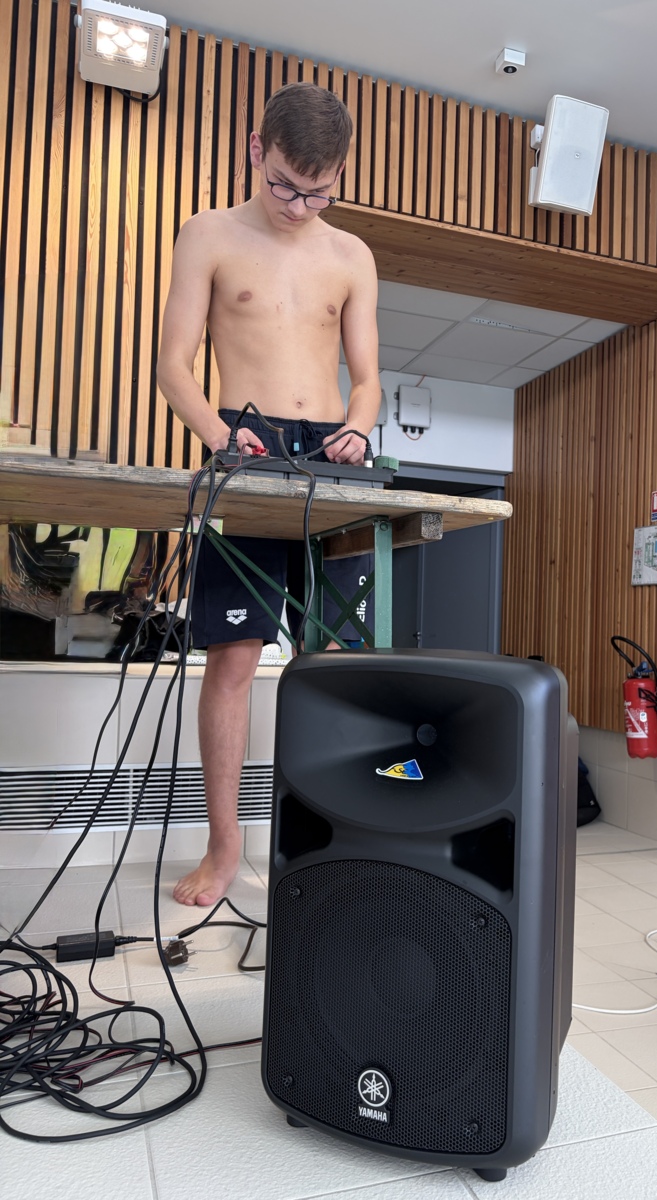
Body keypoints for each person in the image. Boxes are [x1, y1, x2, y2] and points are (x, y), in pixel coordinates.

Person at [156, 82, 381, 906]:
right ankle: (224, 851)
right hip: (241, 445)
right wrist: (219, 437)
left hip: (331, 456)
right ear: (257, 150)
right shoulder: (208, 233)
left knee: (336, 662)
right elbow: (173, 365)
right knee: (234, 657)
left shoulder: (351, 255)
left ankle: (336, 839)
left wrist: (357, 428)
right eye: (285, 184)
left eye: (318, 192)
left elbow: (367, 380)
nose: (297, 206)